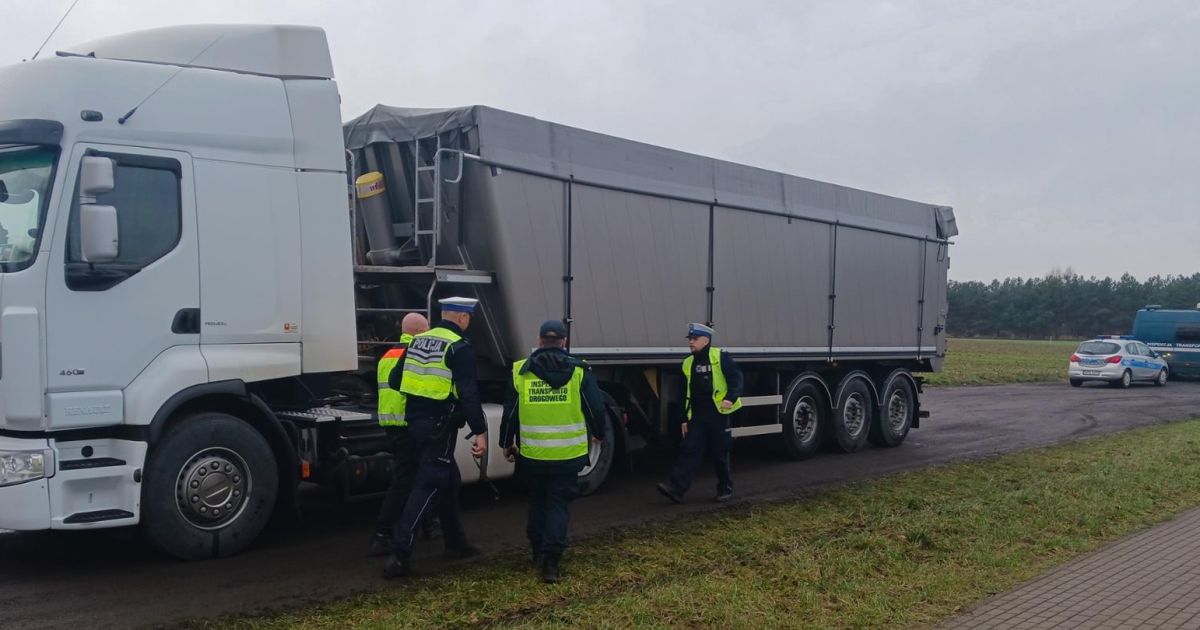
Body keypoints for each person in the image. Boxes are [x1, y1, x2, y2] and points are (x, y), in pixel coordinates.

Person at [383, 297, 489, 578]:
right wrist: (480, 431)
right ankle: (400, 555)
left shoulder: (417, 341)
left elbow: (396, 381)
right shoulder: (459, 346)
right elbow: (468, 393)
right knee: (429, 483)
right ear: (463, 318)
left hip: (414, 423)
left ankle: (455, 542)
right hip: (440, 424)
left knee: (449, 480)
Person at [500, 320, 607, 583]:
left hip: (533, 455)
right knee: (558, 504)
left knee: (537, 501)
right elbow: (596, 408)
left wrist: (506, 442)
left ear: (538, 341)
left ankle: (537, 550)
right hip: (568, 456)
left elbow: (510, 413)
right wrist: (599, 434)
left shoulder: (520, 371)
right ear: (564, 342)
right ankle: (551, 563)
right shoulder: (580, 371)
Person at [656, 323, 743, 504]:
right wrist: (683, 419)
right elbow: (683, 394)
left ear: (706, 340)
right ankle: (676, 490)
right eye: (690, 339)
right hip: (698, 415)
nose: (691, 343)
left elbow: (736, 378)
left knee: (720, 453)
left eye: (695, 339)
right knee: (689, 450)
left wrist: (730, 397)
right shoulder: (688, 363)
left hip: (718, 414)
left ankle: (725, 488)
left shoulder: (719, 357)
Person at [368, 313, 429, 556]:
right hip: (408, 424)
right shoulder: (415, 355)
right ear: (420, 332)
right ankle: (383, 533)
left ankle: (427, 523)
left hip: (390, 424)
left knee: (412, 478)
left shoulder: (387, 355)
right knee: (405, 481)